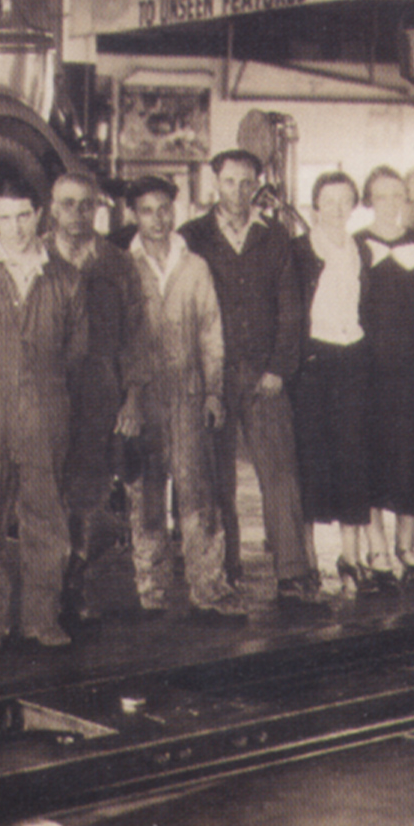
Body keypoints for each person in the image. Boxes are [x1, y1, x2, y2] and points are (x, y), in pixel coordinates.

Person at [180, 150, 319, 607]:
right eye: (229, 181)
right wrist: (201, 378)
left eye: (246, 183)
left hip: (265, 376)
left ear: (257, 187)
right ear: (214, 183)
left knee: (279, 474)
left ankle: (292, 572)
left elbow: (292, 309)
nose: (237, 192)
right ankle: (225, 569)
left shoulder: (274, 236)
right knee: (215, 478)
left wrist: (280, 367)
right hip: (213, 378)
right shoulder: (192, 237)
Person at [0, 175, 87, 650]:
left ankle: (41, 618)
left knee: (45, 518)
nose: (14, 227)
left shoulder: (66, 279)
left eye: (24, 216)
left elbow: (76, 354)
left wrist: (43, 393)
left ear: (40, 215)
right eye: (4, 217)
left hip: (45, 411)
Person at [123, 175, 234, 623]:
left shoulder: (196, 267)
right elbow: (115, 338)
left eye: (164, 209)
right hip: (143, 397)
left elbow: (212, 333)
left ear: (176, 209)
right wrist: (125, 400)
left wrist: (213, 391)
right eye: (146, 210)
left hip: (189, 394)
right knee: (146, 495)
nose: (157, 219)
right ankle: (151, 588)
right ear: (133, 214)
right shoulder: (121, 267)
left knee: (196, 492)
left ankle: (208, 587)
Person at [47, 170, 145, 624]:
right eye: (66, 204)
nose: (75, 214)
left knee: (90, 497)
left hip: (100, 398)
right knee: (45, 496)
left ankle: (75, 584)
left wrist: (132, 398)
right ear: (52, 208)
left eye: (85, 204)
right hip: (46, 396)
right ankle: (45, 590)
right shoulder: (35, 257)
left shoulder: (117, 263)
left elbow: (136, 337)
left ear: (98, 209)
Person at [355, 165, 414, 589]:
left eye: (398, 196)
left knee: (411, 458)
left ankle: (407, 546)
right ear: (369, 199)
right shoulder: (353, 247)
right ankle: (376, 548)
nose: (391, 203)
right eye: (382, 195)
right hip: (367, 370)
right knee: (371, 459)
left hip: (411, 370)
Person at [290, 172, 373, 592]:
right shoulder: (298, 251)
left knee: (353, 456)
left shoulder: (361, 250)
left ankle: (351, 556)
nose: (338, 209)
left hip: (352, 357)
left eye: (346, 201)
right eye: (329, 201)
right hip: (313, 361)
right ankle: (306, 560)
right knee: (310, 458)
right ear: (314, 207)